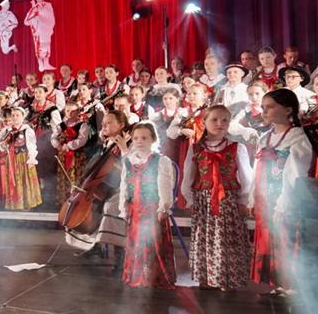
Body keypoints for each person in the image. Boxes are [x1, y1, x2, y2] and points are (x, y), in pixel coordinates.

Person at [182, 105, 253, 292]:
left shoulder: (237, 148)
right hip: (204, 200)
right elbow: (188, 175)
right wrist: (190, 199)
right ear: (204, 122)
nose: (220, 123)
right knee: (205, 238)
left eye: (224, 120)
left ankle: (227, 278)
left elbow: (246, 177)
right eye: (214, 119)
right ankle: (207, 277)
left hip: (227, 199)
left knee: (226, 238)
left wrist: (244, 200)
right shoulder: (196, 149)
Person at [249, 89, 313, 295]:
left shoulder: (297, 137)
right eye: (263, 107)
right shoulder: (265, 138)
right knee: (270, 239)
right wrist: (252, 197)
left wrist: (284, 202)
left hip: (286, 199)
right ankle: (277, 282)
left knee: (287, 237)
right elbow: (256, 169)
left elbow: (295, 173)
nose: (264, 111)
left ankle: (292, 285)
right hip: (265, 198)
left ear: (287, 110)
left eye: (270, 107)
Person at [64, 110, 131, 270]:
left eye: (108, 123)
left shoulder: (129, 143)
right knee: (88, 205)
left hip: (126, 187)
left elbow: (133, 168)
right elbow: (95, 166)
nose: (104, 126)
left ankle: (121, 252)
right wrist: (82, 183)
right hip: (108, 186)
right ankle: (96, 245)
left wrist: (122, 151)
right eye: (103, 124)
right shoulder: (108, 142)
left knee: (111, 207)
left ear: (121, 125)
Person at [119, 122, 177, 289]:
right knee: (136, 240)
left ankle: (152, 275)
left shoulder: (160, 161)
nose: (139, 141)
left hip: (152, 209)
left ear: (153, 139)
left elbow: (165, 185)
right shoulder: (128, 161)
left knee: (151, 240)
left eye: (144, 138)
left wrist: (163, 207)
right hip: (134, 208)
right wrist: (123, 207)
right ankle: (136, 275)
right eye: (136, 138)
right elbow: (124, 184)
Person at [0, 106, 42, 210]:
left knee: (24, 179)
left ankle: (26, 203)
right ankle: (14, 203)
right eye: (13, 115)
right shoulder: (7, 130)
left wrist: (31, 159)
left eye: (17, 115)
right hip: (11, 158)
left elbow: (32, 145)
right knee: (12, 180)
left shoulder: (26, 130)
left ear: (22, 117)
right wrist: (3, 144)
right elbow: (0, 143)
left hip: (23, 158)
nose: (15, 117)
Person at [51, 101, 91, 207]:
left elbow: (82, 140)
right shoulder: (61, 125)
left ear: (78, 112)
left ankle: (76, 201)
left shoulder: (82, 125)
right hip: (63, 155)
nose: (69, 113)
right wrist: (57, 144)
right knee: (64, 177)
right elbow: (53, 137)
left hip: (76, 156)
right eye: (67, 111)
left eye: (73, 111)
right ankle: (63, 200)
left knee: (76, 176)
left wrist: (68, 145)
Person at [23, 0, 56, 71]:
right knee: (39, 48)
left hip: (47, 30)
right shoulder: (34, 8)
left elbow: (51, 17)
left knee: (47, 46)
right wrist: (34, 16)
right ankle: (40, 64)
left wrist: (51, 27)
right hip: (38, 32)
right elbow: (26, 22)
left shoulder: (48, 5)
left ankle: (46, 63)